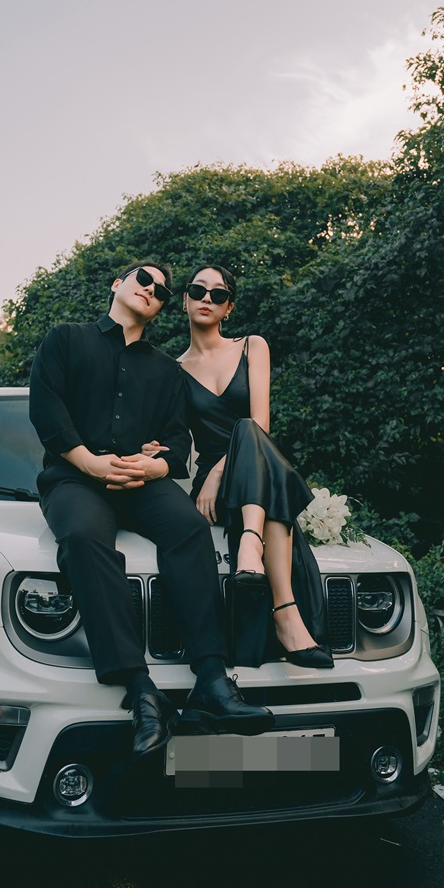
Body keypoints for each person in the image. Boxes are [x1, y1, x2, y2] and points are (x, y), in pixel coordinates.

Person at [29, 260, 273, 758]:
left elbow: (178, 440)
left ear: (163, 307)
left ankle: (211, 679)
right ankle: (142, 690)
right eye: (144, 279)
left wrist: (157, 465)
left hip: (142, 483)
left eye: (161, 290)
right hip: (75, 479)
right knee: (82, 536)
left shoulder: (166, 370)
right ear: (117, 283)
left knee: (188, 528)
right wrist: (91, 463)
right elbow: (46, 408)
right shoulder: (66, 339)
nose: (151, 290)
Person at [145, 264, 332, 668]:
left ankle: (251, 543)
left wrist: (217, 472)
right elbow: (174, 437)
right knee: (270, 486)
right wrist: (151, 450)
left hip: (251, 465)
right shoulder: (173, 370)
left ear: (228, 307)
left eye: (218, 294)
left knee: (249, 429)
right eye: (198, 291)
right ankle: (286, 616)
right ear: (185, 300)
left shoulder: (252, 346)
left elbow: (261, 423)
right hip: (220, 491)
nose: (207, 299)